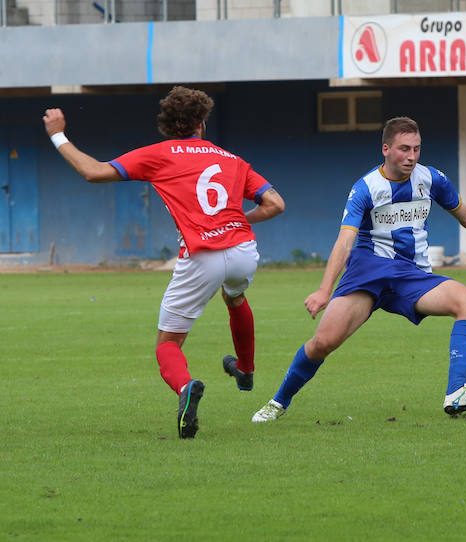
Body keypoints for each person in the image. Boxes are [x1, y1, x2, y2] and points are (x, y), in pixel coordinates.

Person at [251, 116, 466, 423]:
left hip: (411, 276)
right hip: (368, 273)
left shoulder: (432, 179)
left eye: (416, 148)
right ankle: (278, 402)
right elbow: (345, 240)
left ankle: (456, 393)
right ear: (386, 149)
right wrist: (324, 290)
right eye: (403, 149)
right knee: (323, 343)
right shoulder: (366, 188)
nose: (411, 156)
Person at [43, 86, 285, 439]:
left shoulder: (159, 154)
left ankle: (186, 387)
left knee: (167, 344)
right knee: (234, 298)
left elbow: (93, 172)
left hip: (203, 257)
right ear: (202, 122)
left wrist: (57, 134)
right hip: (244, 251)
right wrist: (239, 220)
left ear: (168, 125)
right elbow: (275, 204)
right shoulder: (231, 159)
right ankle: (245, 371)